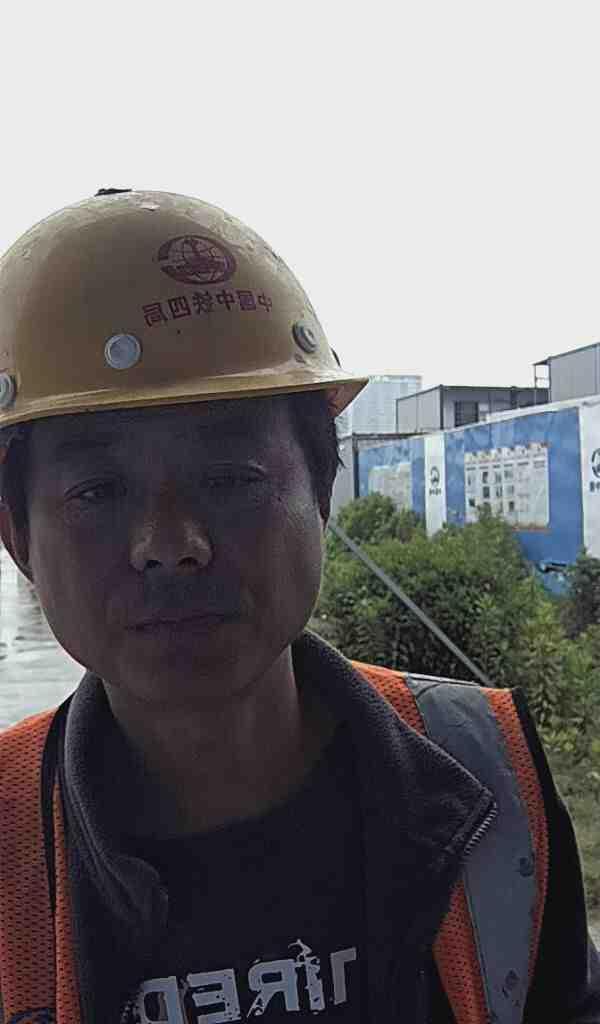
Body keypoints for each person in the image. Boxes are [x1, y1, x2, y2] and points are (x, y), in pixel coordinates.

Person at [0, 189, 597, 1024]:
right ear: (18, 537)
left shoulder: (490, 776)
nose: (169, 543)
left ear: (321, 493)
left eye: (231, 478)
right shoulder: (9, 840)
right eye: (98, 490)